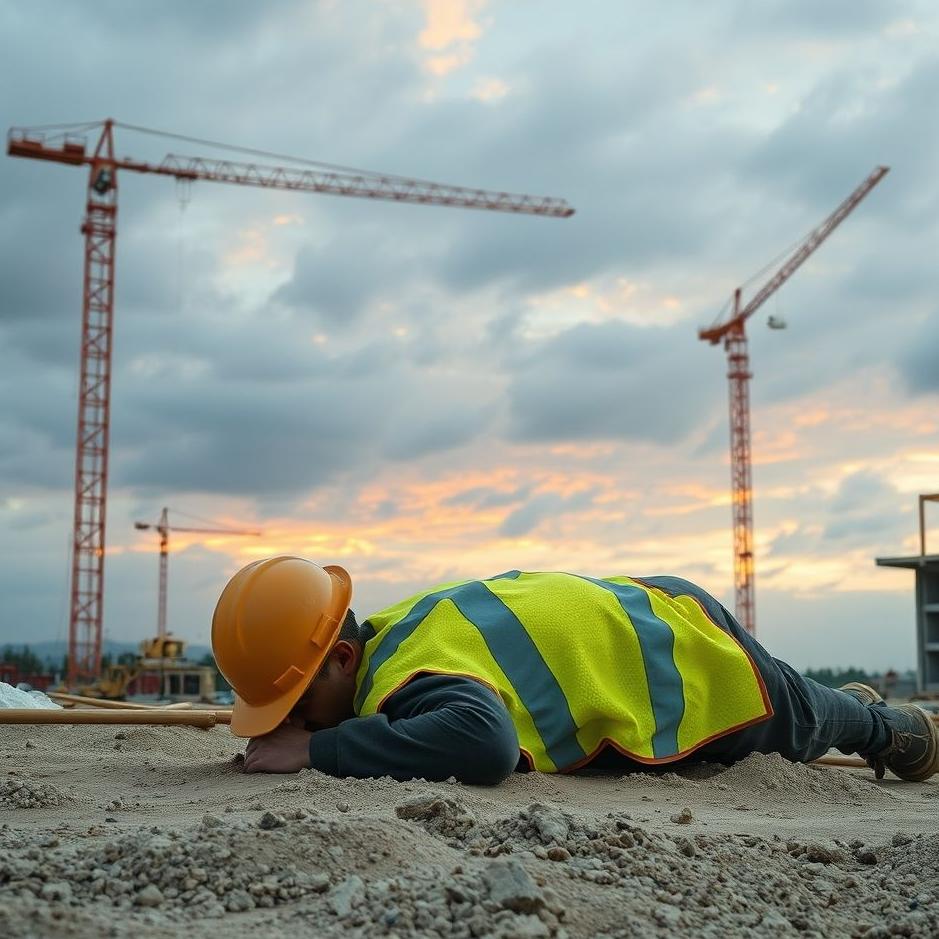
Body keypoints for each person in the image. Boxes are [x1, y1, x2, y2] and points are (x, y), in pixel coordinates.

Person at [211, 556, 939, 784]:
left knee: (796, 721)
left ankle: (888, 725)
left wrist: (317, 747)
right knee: (795, 697)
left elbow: (483, 742)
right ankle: (849, 702)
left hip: (673, 656)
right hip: (644, 609)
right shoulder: (390, 630)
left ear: (343, 659)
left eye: (293, 706)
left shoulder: (410, 670)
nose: (288, 724)